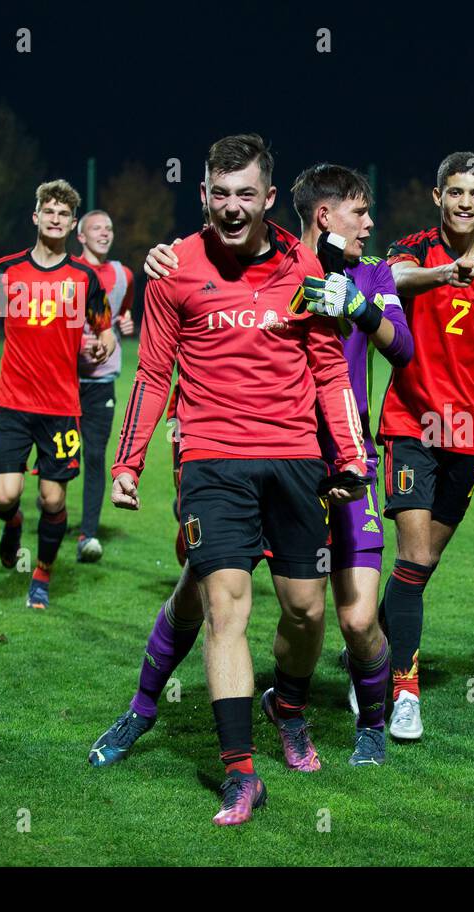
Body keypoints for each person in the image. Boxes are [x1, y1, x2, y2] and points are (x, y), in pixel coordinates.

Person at [91, 161, 413, 771]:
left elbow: (403, 348)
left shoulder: (368, 274)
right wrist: (165, 256)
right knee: (202, 594)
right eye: (359, 210)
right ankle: (143, 706)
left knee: (349, 614)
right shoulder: (233, 260)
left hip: (336, 466)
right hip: (234, 457)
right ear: (325, 213)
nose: (370, 223)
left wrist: (361, 307)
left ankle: (351, 717)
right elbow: (175, 341)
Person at [375, 151, 474, 740]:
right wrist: (443, 275)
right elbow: (391, 281)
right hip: (410, 422)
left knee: (423, 565)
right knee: (411, 557)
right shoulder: (413, 250)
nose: (464, 202)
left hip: (468, 433)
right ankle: (404, 692)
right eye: (455, 191)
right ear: (438, 195)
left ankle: (370, 646)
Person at [0, 180, 114, 609]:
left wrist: (103, 345)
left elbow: (106, 331)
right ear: (36, 216)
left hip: (61, 406)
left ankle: (41, 575)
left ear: (72, 223)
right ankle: (13, 523)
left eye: (64, 214)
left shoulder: (85, 278)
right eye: (50, 211)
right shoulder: (7, 270)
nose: (56, 219)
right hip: (11, 401)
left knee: (53, 497)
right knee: (3, 498)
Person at [72, 209, 137, 563]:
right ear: (80, 236)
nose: (104, 233)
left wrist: (124, 325)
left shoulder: (123, 274)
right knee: (61, 460)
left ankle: (88, 535)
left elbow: (122, 313)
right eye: (96, 228)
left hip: (101, 379)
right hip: (63, 379)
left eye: (109, 228)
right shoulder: (67, 271)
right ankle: (48, 498)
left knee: (95, 456)